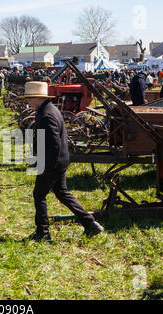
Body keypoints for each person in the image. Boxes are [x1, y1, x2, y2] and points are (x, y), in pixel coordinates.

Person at [20, 81, 104, 243]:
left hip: (52, 162)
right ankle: (90, 224)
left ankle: (43, 233)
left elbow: (53, 144)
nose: (28, 102)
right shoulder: (49, 110)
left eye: (30, 98)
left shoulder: (46, 115)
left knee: (39, 194)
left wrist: (46, 166)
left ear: (39, 98)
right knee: (62, 193)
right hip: (60, 160)